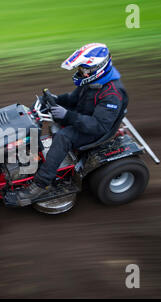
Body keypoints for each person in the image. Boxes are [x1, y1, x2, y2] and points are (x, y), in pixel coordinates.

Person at [17, 43, 129, 206]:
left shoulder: (112, 94)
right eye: (80, 69)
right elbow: (72, 99)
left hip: (96, 130)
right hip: (83, 117)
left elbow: (98, 126)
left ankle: (41, 184)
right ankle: (29, 151)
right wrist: (55, 100)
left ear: (98, 68)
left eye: (84, 69)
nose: (81, 72)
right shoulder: (93, 81)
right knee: (41, 109)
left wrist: (68, 116)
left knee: (63, 136)